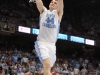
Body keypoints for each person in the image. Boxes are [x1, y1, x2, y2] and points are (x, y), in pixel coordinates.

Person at [29, 0, 64, 75]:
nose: (53, 3)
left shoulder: (58, 13)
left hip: (52, 45)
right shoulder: (43, 11)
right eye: (51, 2)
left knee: (49, 68)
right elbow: (39, 2)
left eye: (55, 3)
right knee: (47, 65)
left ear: (57, 6)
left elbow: (61, 2)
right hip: (42, 43)